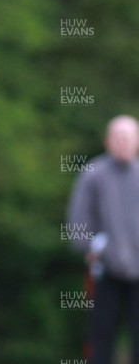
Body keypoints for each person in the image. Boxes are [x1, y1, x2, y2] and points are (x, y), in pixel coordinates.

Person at [67, 115, 139, 364]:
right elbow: (78, 220)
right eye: (118, 137)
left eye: (129, 137)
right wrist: (88, 246)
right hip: (105, 271)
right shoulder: (93, 174)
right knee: (100, 337)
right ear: (108, 140)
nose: (124, 143)